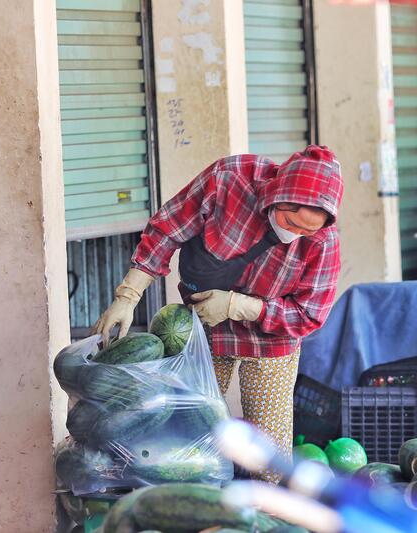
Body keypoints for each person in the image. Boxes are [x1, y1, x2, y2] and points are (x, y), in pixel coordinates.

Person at [94, 145, 343, 482]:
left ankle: (267, 517)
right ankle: (194, 504)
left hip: (271, 340)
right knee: (190, 426)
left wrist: (238, 305)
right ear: (277, 196)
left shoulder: (324, 241)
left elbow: (308, 315)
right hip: (205, 327)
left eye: (306, 231)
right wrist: (128, 295)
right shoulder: (229, 179)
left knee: (269, 452)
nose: (294, 235)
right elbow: (168, 228)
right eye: (290, 222)